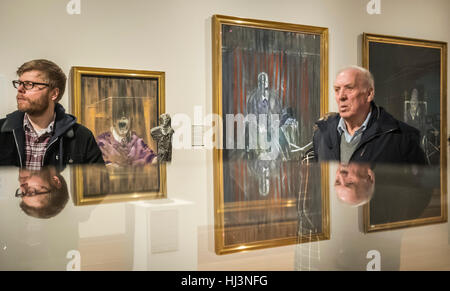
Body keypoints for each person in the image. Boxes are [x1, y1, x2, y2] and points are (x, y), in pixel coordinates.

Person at [0, 59, 104, 170]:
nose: (20, 89)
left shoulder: (82, 137)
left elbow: (98, 185)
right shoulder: (2, 130)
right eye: (19, 83)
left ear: (53, 94)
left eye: (29, 84)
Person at [312, 65, 426, 165]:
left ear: (369, 94)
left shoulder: (403, 138)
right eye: (337, 90)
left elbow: (420, 187)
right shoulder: (322, 134)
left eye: (349, 88)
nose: (341, 96)